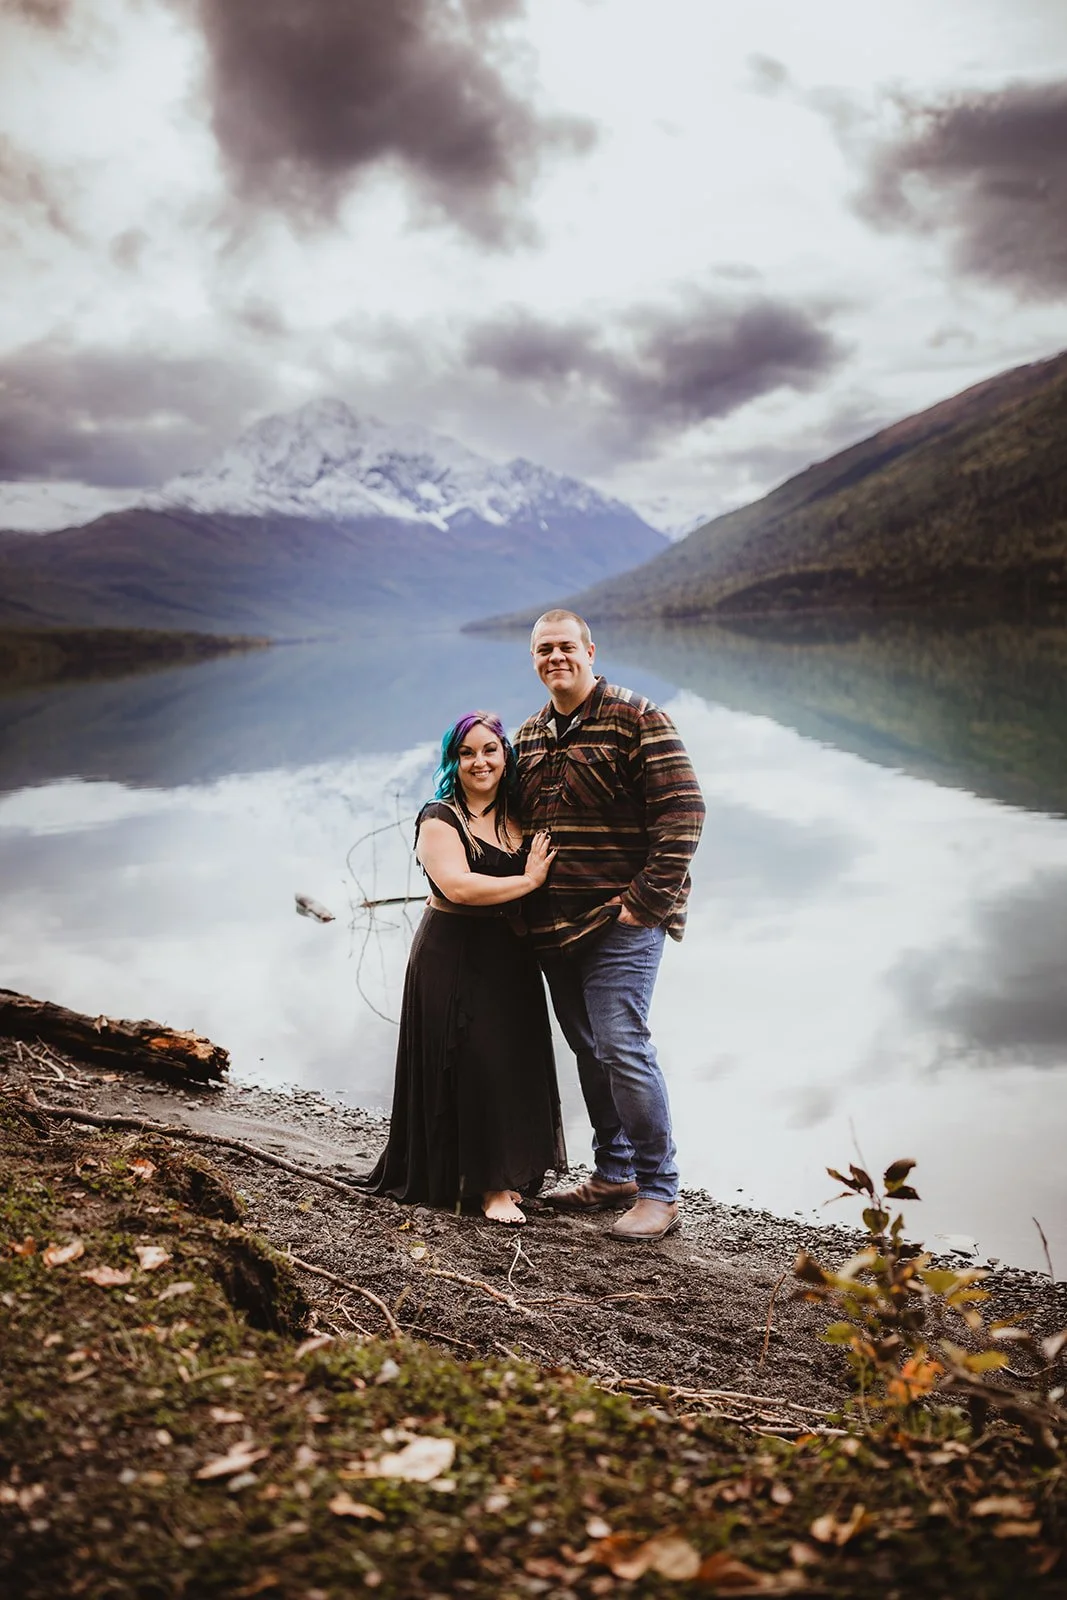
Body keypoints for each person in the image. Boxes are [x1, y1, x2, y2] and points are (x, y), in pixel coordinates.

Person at [514, 610, 705, 1242]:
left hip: (622, 921)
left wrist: (644, 904)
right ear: (534, 659)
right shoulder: (529, 736)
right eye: (544, 649)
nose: (555, 658)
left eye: (566, 646)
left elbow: (684, 811)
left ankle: (659, 1190)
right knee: (590, 1051)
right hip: (556, 928)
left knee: (622, 1045)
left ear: (590, 650)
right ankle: (615, 1171)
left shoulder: (636, 717)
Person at [361, 711, 565, 1225]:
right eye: (467, 752)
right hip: (452, 954)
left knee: (510, 1063)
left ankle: (506, 1173)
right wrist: (530, 881)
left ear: (505, 755)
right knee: (475, 1063)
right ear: (453, 760)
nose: (480, 762)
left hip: (509, 956)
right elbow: (460, 887)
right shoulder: (439, 817)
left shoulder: (515, 813)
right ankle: (487, 1187)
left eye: (490, 750)